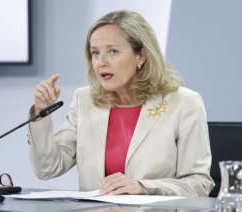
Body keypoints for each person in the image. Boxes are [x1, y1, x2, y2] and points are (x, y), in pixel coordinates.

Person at [28, 10, 214, 196]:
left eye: (113, 52)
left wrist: (143, 188)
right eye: (95, 53)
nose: (101, 62)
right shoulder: (84, 101)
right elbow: (47, 168)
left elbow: (199, 184)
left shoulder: (184, 103)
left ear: (141, 56)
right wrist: (41, 113)